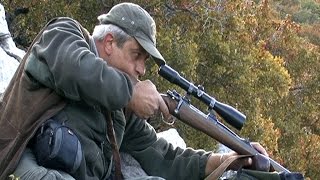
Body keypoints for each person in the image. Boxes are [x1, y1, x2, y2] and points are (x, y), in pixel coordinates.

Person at [0, 2, 269, 180]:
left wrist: (226, 160)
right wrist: (132, 93)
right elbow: (75, 68)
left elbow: (160, 155)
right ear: (108, 43)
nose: (141, 69)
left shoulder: (119, 108)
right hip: (16, 160)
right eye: (136, 55)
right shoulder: (64, 34)